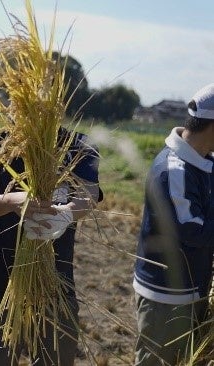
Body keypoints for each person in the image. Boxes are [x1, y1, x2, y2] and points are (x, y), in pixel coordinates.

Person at [0, 128, 102, 365]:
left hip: (55, 287)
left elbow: (88, 195)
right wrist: (9, 201)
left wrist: (64, 214)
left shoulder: (79, 146)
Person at [133, 83, 214, 365]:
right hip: (166, 297)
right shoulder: (174, 170)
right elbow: (194, 231)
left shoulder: (204, 162)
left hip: (194, 289)